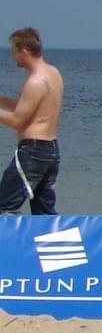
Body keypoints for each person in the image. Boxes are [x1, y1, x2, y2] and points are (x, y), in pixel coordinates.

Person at [0, 28, 63, 215]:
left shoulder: (35, 82)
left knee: (4, 206)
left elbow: (17, 121)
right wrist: (3, 101)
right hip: (51, 150)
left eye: (14, 52)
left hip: (33, 152)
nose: (14, 57)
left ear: (24, 51)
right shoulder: (53, 73)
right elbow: (31, 109)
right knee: (44, 212)